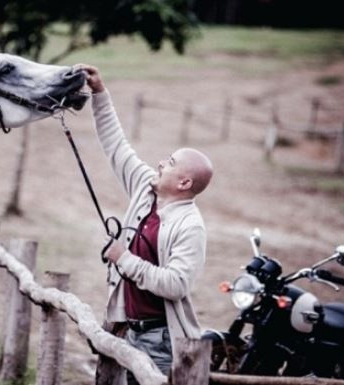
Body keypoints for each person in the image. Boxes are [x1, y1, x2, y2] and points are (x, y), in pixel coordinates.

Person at [79, 64, 213, 384]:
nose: (159, 163)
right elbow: (116, 145)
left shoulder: (190, 226)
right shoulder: (145, 186)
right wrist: (100, 93)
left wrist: (123, 259)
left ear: (183, 182)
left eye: (169, 163)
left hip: (164, 341)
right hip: (132, 330)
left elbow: (175, 284)